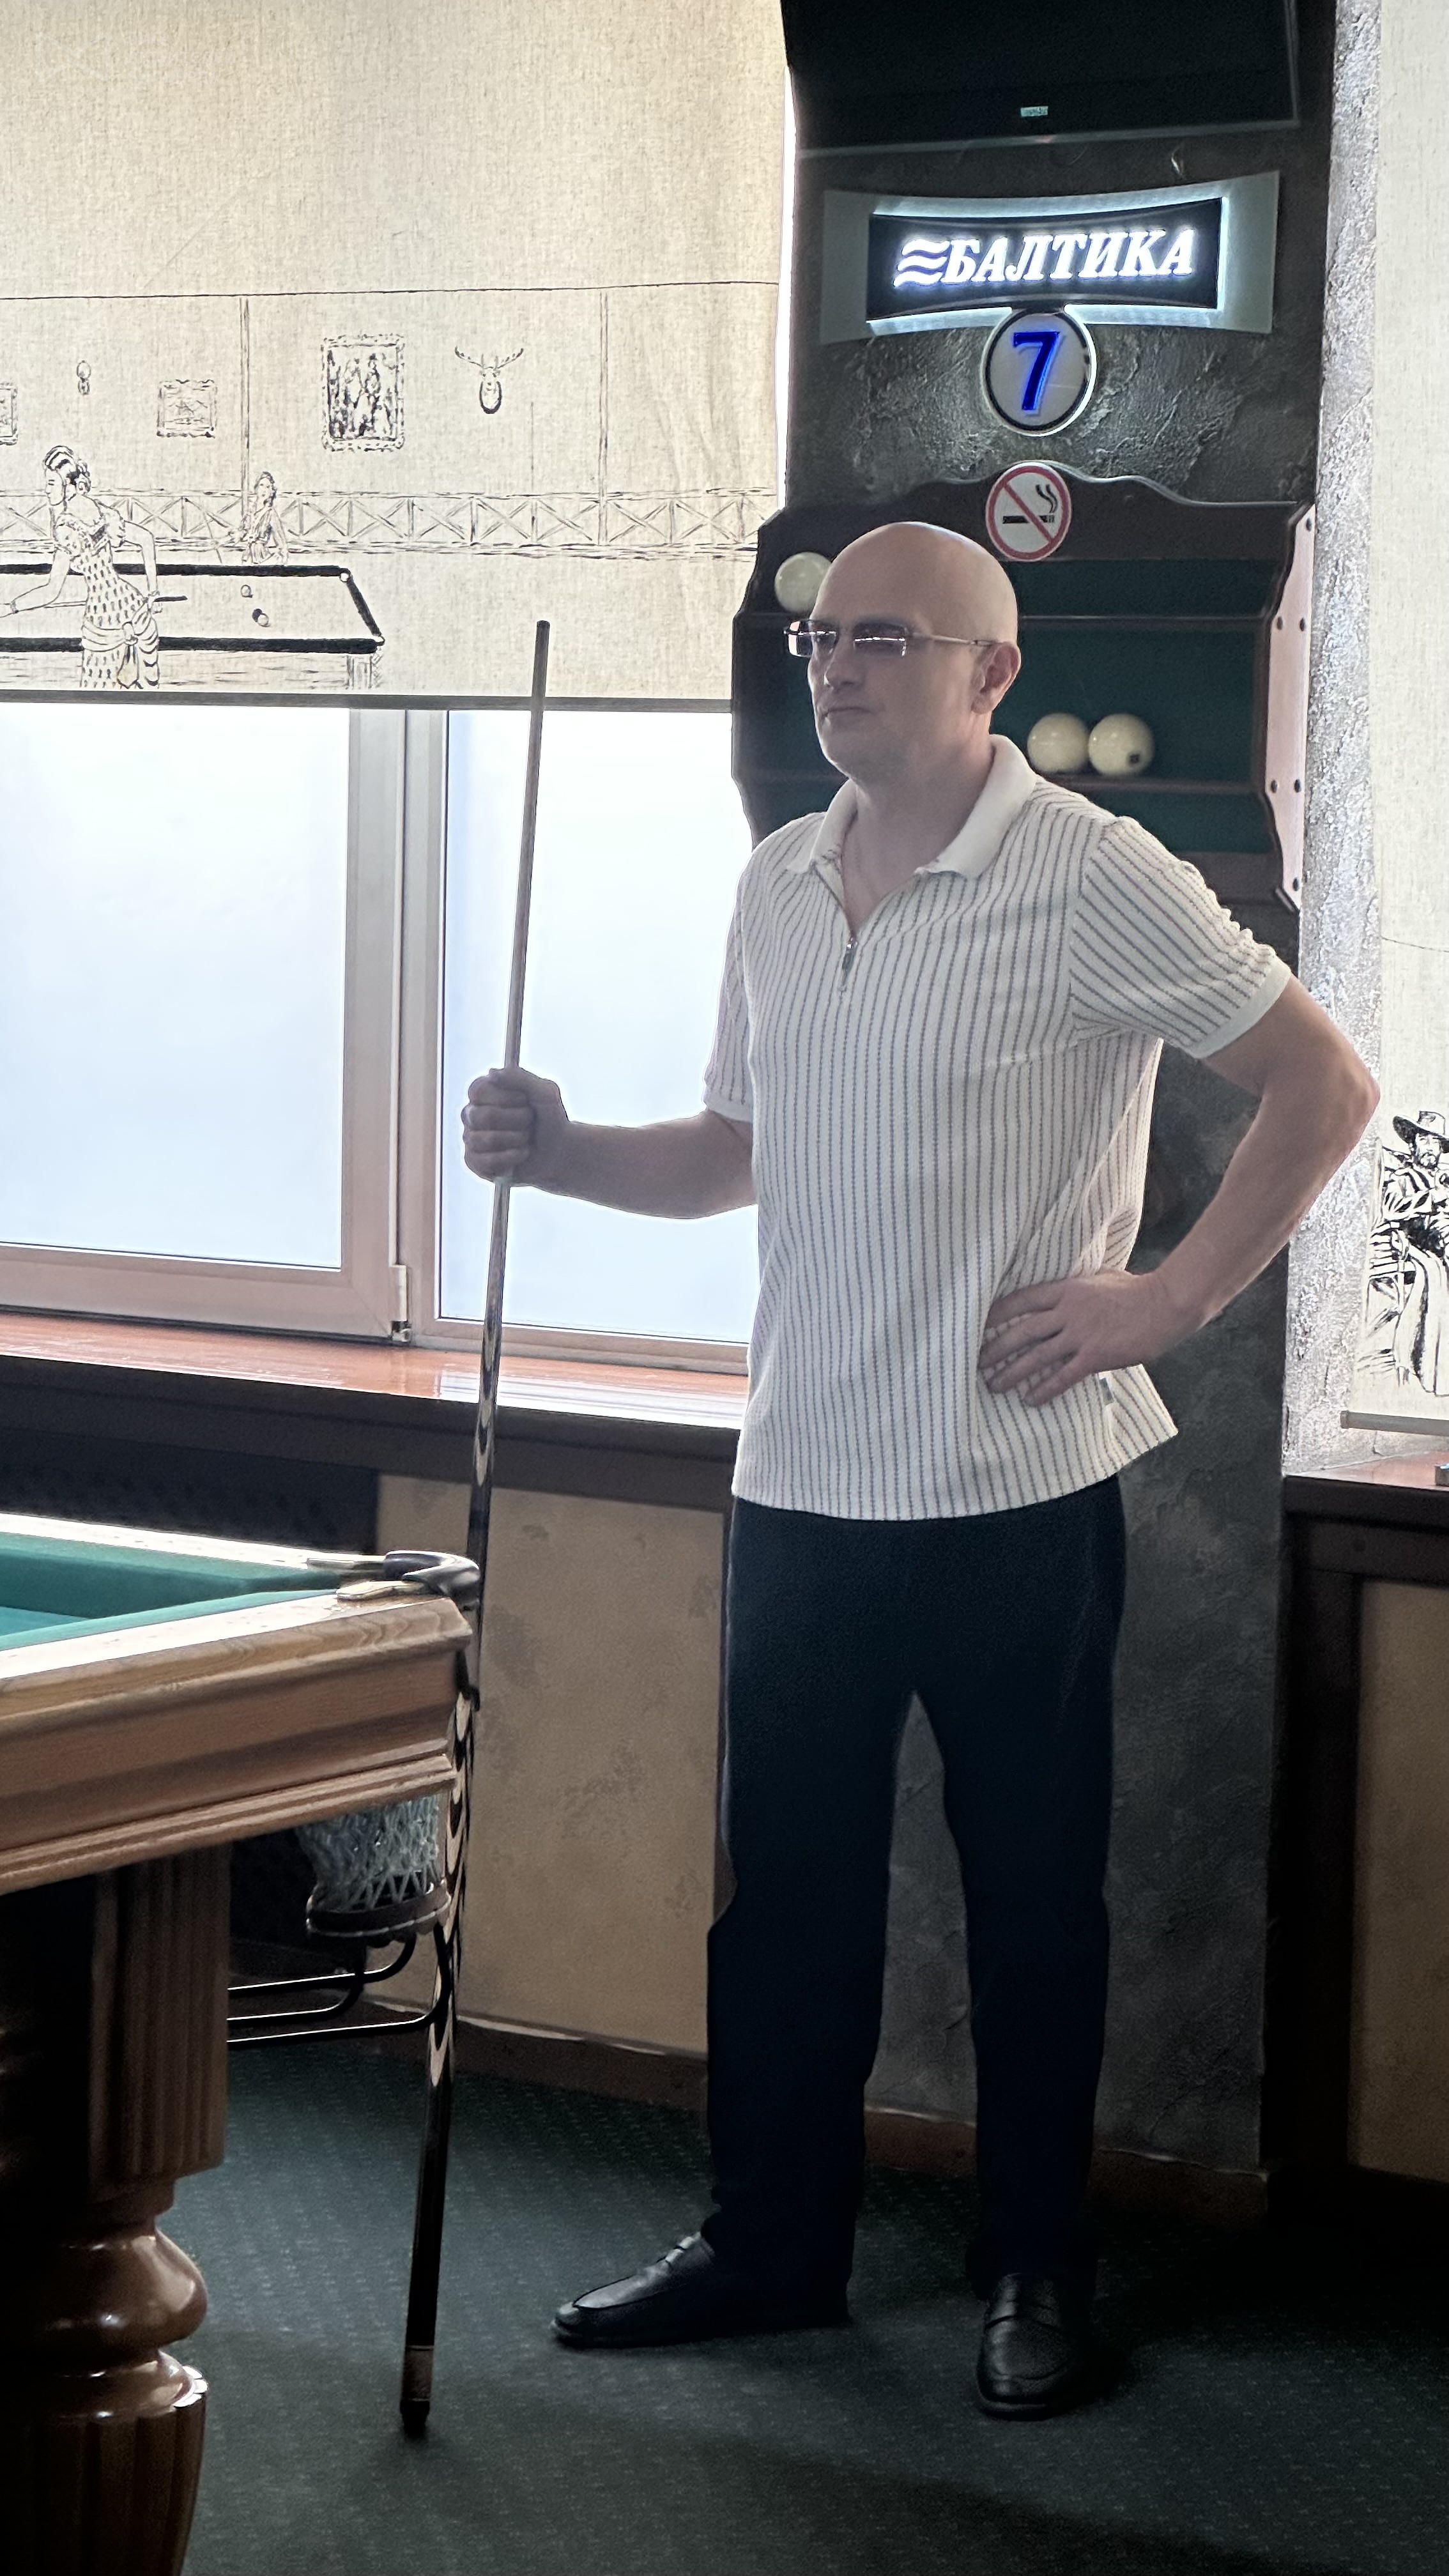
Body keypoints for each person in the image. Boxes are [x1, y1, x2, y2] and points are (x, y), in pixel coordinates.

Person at [461, 522, 1377, 2419]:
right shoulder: (781, 880)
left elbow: (1326, 1083)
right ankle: (770, 2242)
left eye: (886, 638)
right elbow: (736, 1152)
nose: (838, 664)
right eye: (823, 637)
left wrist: (1169, 1299)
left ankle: (1036, 2269)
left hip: (1012, 1490)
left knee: (1031, 1900)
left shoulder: (1094, 872)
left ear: (991, 673)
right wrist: (560, 1151)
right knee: (783, 1900)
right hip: (802, 1478)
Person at [0, 445, 161, 689]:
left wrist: (10, 607)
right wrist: (153, 593)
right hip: (134, 607)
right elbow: (146, 539)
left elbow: (51, 591)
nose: (46, 490)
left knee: (98, 696)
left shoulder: (67, 529)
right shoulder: (102, 512)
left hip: (104, 619)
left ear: (69, 486)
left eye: (52, 483)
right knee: (144, 693)